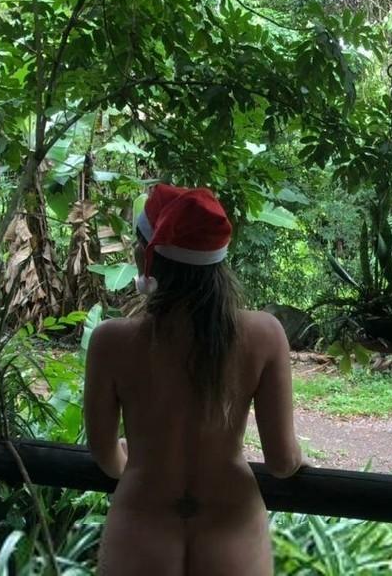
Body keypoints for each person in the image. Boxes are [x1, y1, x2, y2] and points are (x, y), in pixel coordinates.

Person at [84, 184, 303, 575]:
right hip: (232, 536)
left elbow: (105, 455)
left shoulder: (110, 341)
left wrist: (138, 461)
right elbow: (283, 462)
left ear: (147, 256)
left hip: (140, 535)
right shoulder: (264, 335)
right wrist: (301, 460)